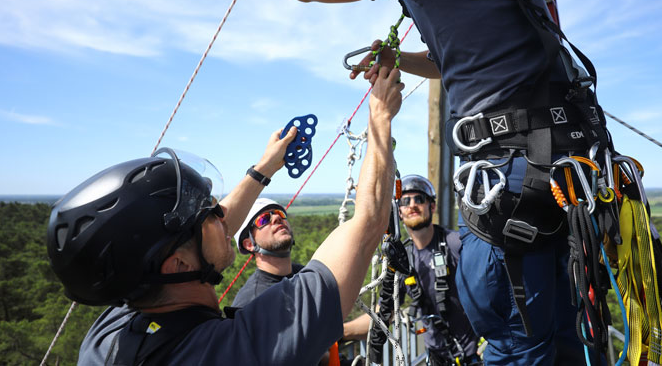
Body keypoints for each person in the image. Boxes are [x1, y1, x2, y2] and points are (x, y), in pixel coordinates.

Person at [262, 0, 613, 364]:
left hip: (509, 181)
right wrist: (400, 59)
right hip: (565, 171)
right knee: (562, 339)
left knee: (513, 342)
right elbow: (461, 59)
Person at [46, 66, 404, 366]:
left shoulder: (113, 331)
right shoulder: (237, 350)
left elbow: (200, 241)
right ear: (177, 266)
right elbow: (368, 222)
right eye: (209, 215)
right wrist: (380, 117)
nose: (222, 216)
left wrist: (265, 168)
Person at [230, 198, 370, 351]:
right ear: (249, 244)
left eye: (279, 213)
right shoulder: (251, 303)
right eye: (264, 219)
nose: (277, 218)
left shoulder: (304, 274)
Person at [397, 175, 480, 366]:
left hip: (472, 354)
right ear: (399, 212)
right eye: (405, 201)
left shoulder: (455, 244)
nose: (412, 205)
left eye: (419, 199)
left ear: (431, 207)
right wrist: (341, 332)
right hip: (435, 357)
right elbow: (384, 312)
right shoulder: (401, 260)